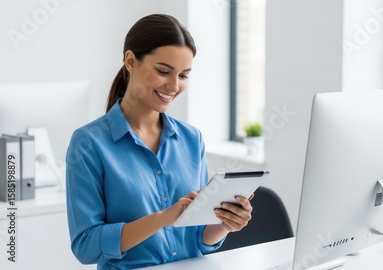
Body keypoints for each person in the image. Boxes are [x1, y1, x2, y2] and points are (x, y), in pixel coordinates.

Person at [65, 14, 253, 270]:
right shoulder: (89, 143)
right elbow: (86, 247)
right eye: (163, 71)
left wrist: (224, 224)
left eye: (184, 75)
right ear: (131, 61)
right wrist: (165, 217)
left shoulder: (191, 138)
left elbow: (197, 239)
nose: (174, 86)